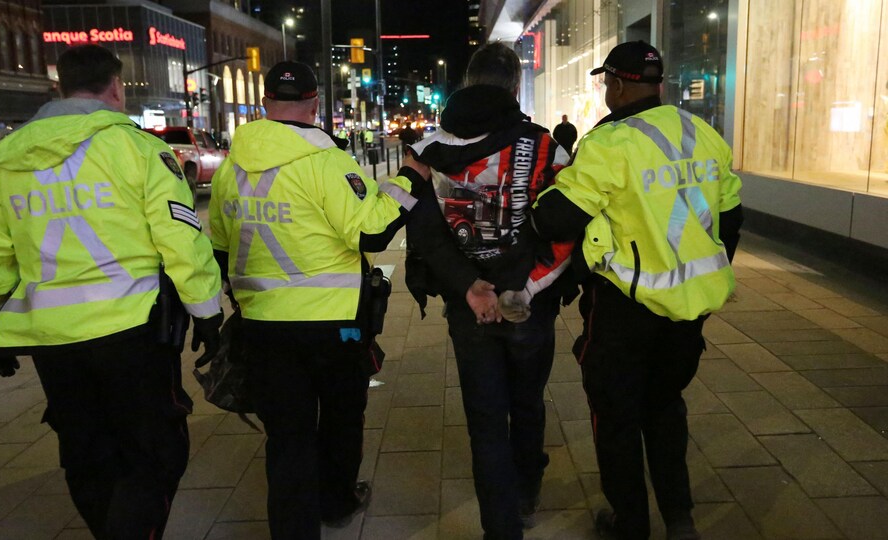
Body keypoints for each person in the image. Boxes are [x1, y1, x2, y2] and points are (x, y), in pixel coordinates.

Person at [0, 44, 223, 539]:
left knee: (86, 454)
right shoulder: (137, 149)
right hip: (132, 332)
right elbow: (179, 237)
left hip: (50, 337)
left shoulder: (6, 162)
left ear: (59, 86)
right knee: (155, 452)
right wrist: (207, 311)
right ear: (116, 87)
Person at [530, 41, 744, 540]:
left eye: (607, 83)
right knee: (666, 407)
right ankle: (680, 519)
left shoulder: (611, 143)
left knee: (618, 419)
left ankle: (631, 524)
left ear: (619, 84)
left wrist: (549, 190)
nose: (607, 92)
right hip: (690, 312)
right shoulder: (703, 133)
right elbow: (732, 218)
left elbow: (553, 219)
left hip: (626, 308)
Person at [208, 60, 430, 540]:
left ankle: (292, 529)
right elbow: (371, 231)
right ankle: (336, 500)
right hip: (336, 327)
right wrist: (410, 179)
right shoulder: (328, 162)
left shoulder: (231, 170)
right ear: (314, 104)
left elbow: (221, 249)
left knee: (286, 436)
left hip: (264, 326)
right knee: (342, 415)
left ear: (264, 104)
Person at [405, 42, 571, 539]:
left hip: (467, 306)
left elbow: (423, 231)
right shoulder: (547, 147)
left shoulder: (427, 150)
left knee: (484, 418)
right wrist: (527, 287)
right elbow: (567, 229)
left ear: (466, 84)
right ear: (515, 87)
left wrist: (468, 285)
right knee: (528, 401)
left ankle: (501, 528)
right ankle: (526, 490)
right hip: (530, 306)